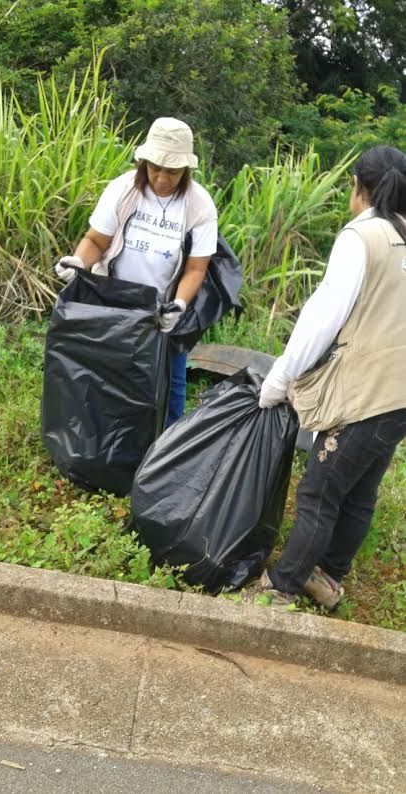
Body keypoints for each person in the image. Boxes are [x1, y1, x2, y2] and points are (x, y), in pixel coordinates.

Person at [255, 144, 406, 610]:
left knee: (320, 490)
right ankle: (326, 579)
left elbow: (320, 320)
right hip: (398, 395)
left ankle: (280, 589)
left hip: (364, 393)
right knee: (359, 491)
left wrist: (279, 380)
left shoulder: (360, 239)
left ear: (358, 187)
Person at [55, 117, 218, 426]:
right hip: (114, 304)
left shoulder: (199, 206)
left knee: (171, 387)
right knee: (107, 376)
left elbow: (197, 268)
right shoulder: (124, 189)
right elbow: (95, 240)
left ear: (186, 169)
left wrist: (179, 305)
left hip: (162, 311)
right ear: (144, 161)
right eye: (154, 167)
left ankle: (163, 454)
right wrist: (78, 263)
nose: (160, 178)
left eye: (171, 171)